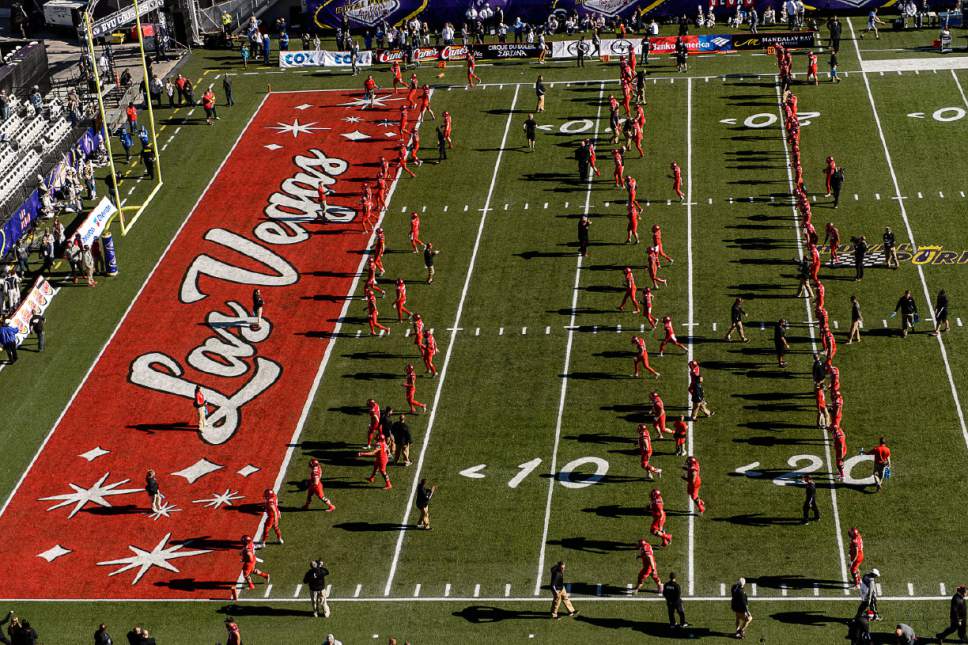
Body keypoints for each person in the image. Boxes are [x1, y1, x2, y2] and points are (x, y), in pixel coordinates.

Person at [232, 535, 270, 600]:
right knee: (253, 571)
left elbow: (250, 558)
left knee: (245, 574)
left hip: (249, 562)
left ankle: (251, 586)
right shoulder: (250, 543)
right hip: (252, 560)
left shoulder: (247, 550)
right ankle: (265, 575)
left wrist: (243, 560)